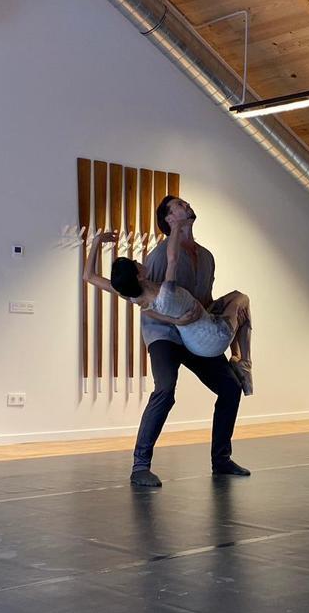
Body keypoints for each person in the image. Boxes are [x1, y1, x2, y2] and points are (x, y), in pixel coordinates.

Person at [81, 196, 251, 487]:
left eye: (186, 203)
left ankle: (221, 460)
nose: (187, 206)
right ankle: (140, 466)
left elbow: (205, 299)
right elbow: (151, 305)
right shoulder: (160, 258)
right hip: (164, 335)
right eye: (179, 206)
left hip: (194, 332)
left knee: (230, 389)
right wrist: (176, 322)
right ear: (169, 219)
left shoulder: (206, 256)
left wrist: (207, 323)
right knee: (165, 390)